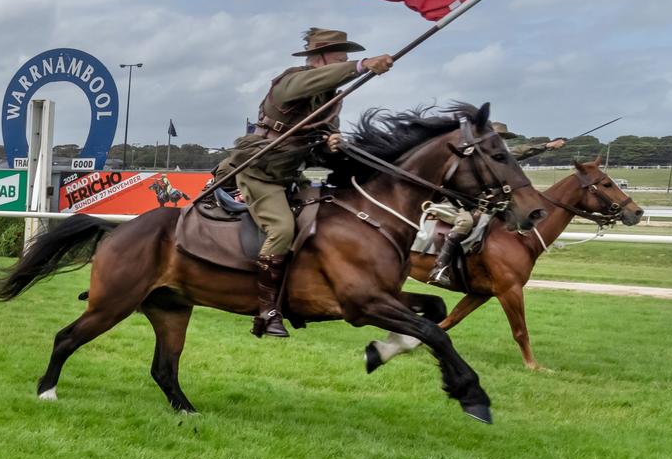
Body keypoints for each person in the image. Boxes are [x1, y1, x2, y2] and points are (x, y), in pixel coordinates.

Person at [214, 28, 394, 337]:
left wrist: (331, 142)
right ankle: (267, 311)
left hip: (296, 175)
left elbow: (321, 139)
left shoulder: (331, 98)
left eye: (347, 56)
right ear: (319, 57)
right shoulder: (292, 80)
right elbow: (318, 80)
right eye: (340, 55)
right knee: (282, 229)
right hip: (262, 174)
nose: (344, 59)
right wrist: (361, 66)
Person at [425, 122, 567, 286]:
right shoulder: (477, 155)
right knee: (467, 222)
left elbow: (518, 152)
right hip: (451, 202)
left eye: (503, 138)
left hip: (473, 203)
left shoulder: (496, 157)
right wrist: (547, 145)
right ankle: (440, 267)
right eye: (499, 137)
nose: (501, 141)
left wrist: (548, 146)